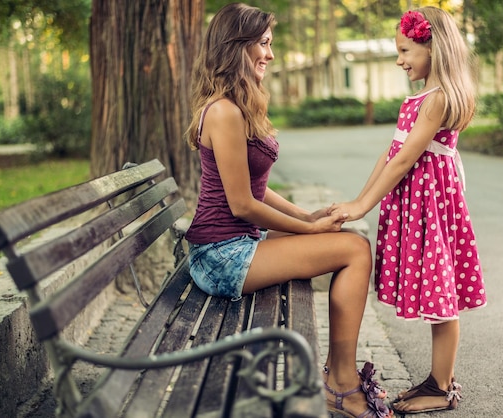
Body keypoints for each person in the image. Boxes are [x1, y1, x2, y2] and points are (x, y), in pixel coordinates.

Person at [184, 3, 392, 418]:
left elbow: (256, 190)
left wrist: (307, 218)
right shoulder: (224, 112)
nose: (270, 55)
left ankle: (338, 373)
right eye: (263, 44)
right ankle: (342, 385)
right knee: (354, 251)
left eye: (270, 44)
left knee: (352, 238)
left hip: (236, 243)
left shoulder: (238, 106)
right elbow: (242, 205)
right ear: (236, 47)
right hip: (221, 257)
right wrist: (311, 232)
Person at [330, 7, 487, 415]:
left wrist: (363, 205)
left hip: (431, 204)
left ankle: (442, 386)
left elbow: (404, 162)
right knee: (437, 289)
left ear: (432, 47)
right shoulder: (420, 96)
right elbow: (392, 152)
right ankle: (437, 381)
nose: (400, 60)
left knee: (442, 290)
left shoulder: (438, 99)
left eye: (405, 51)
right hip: (418, 200)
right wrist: (358, 200)